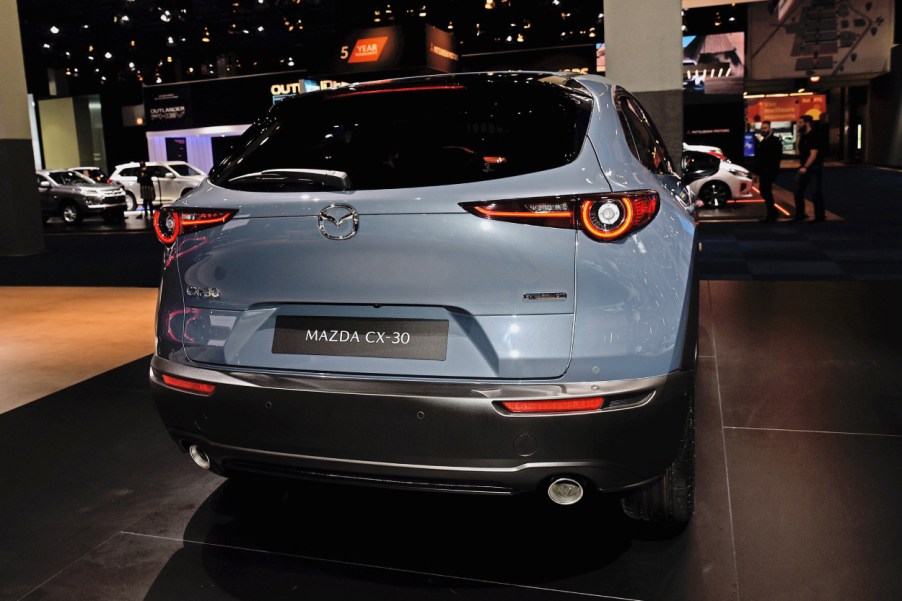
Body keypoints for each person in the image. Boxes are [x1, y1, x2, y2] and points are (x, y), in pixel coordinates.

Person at [793, 115, 828, 223]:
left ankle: (820, 216)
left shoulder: (814, 136)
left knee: (815, 192)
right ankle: (800, 214)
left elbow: (813, 154)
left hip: (813, 168)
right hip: (805, 167)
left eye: (800, 123)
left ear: (806, 123)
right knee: (798, 192)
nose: (798, 125)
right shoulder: (804, 136)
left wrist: (805, 167)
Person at [754, 120, 783, 223]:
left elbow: (776, 158)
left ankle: (772, 214)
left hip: (769, 171)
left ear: (770, 129)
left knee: (766, 191)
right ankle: (773, 212)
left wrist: (772, 170)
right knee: (764, 191)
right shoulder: (763, 142)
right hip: (763, 171)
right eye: (762, 128)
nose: (763, 130)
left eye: (765, 128)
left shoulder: (774, 142)